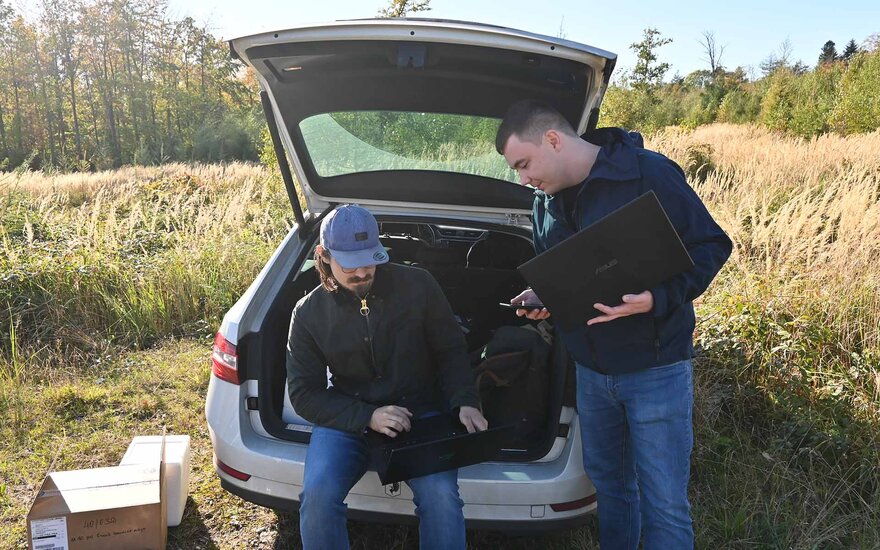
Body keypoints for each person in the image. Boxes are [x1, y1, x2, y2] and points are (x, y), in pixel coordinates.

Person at [496, 100, 732, 549]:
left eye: (524, 164)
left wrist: (656, 299)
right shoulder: (544, 203)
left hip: (655, 368)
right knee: (612, 490)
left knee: (664, 503)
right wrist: (546, 296)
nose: (523, 179)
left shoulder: (648, 174)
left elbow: (711, 245)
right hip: (591, 371)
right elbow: (575, 274)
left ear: (553, 139)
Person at [286, 204, 488, 550]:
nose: (364, 271)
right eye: (351, 264)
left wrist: (465, 401)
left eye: (371, 259)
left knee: (441, 497)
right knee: (317, 496)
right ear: (323, 256)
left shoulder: (419, 285)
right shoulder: (307, 314)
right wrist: (367, 416)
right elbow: (305, 393)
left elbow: (450, 352)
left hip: (420, 412)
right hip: (347, 416)